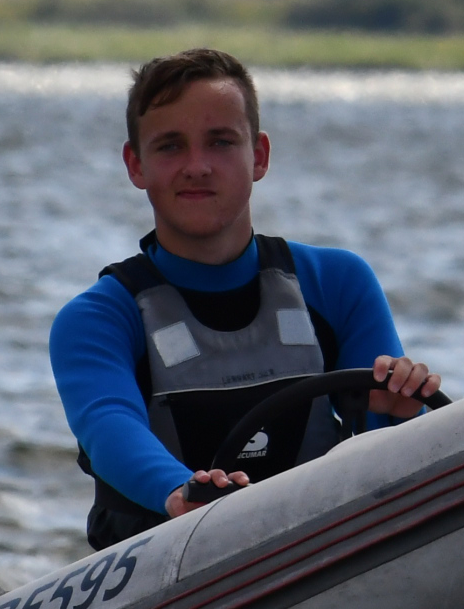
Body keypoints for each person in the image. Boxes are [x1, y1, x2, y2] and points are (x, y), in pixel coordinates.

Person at [51, 47, 443, 547]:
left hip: (319, 547)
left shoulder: (338, 282)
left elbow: (388, 446)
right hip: (167, 558)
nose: (197, 166)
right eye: (170, 146)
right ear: (136, 165)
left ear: (258, 156)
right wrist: (181, 493)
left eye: (220, 142)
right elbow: (108, 426)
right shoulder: (97, 319)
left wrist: (400, 411)